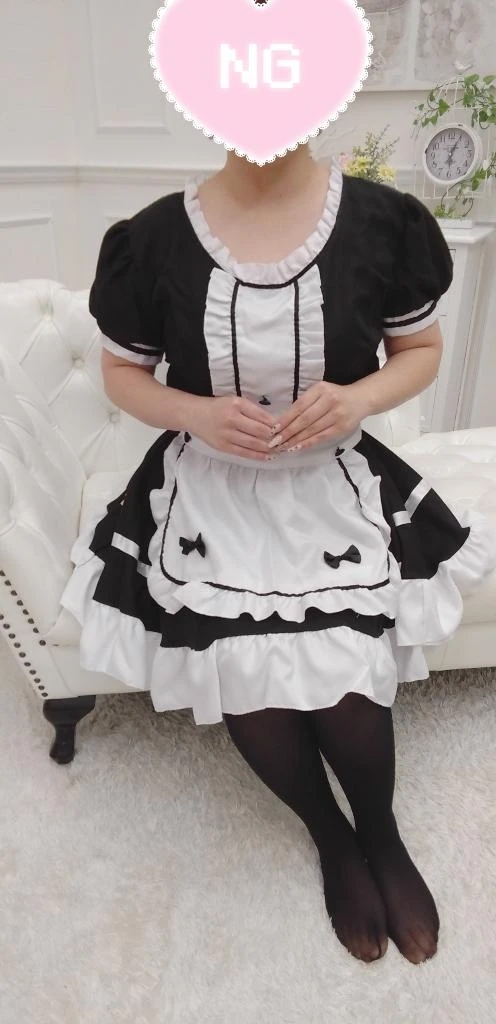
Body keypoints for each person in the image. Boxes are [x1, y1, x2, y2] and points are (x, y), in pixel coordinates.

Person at [59, 142, 496, 965]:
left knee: (351, 683)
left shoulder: (382, 223)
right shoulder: (153, 238)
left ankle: (381, 835)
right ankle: (332, 839)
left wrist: (357, 399)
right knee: (247, 677)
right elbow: (122, 373)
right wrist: (193, 412)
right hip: (209, 489)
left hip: (330, 480)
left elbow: (420, 351)